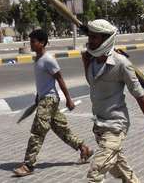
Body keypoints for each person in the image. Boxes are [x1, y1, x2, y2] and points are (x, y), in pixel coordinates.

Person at [81, 19, 144, 183]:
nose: (90, 41)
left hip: (115, 127)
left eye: (94, 38)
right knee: (122, 170)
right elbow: (93, 83)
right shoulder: (93, 60)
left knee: (95, 174)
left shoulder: (121, 63)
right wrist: (85, 62)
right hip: (100, 126)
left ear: (106, 39)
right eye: (90, 37)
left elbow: (139, 95)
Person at [13, 29, 93, 177]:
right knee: (61, 129)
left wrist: (69, 99)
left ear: (42, 43)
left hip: (49, 100)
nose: (30, 44)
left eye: (33, 41)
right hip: (44, 99)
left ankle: (28, 165)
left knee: (37, 131)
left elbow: (60, 79)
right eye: (30, 41)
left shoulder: (48, 59)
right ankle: (84, 149)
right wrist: (38, 96)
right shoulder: (37, 59)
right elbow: (43, 82)